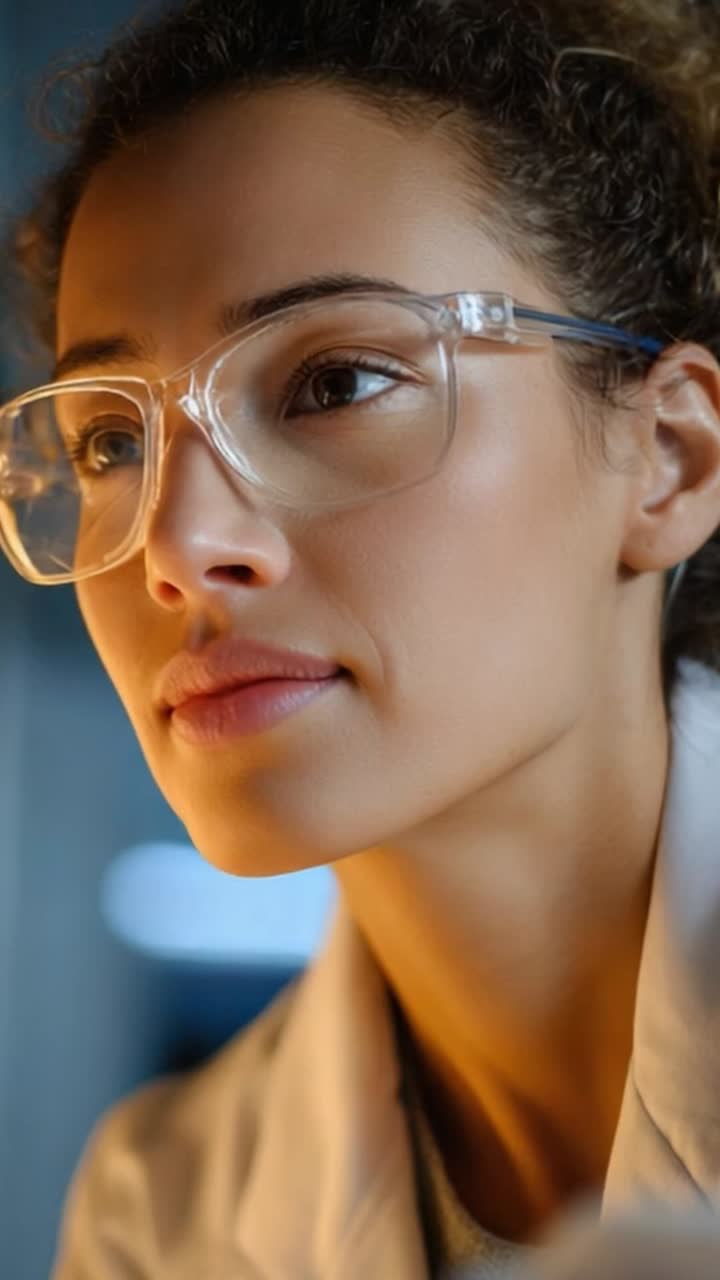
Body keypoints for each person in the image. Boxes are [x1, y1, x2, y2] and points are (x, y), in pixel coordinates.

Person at [1, 0, 720, 1276]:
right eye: (113, 443)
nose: (178, 545)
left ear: (668, 460)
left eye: (334, 382)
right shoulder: (152, 1216)